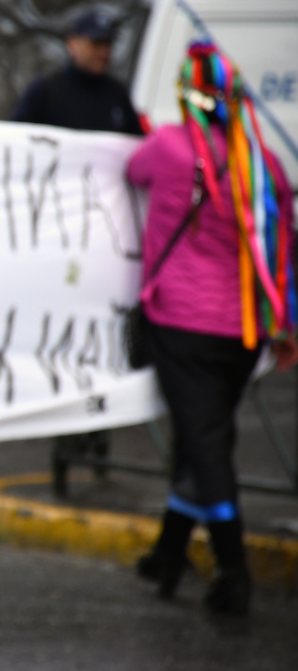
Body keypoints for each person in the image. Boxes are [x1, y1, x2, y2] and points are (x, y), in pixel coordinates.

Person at [128, 40, 298, 616]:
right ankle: (168, 555)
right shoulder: (265, 163)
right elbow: (284, 247)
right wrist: (286, 323)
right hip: (244, 330)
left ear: (188, 96)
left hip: (182, 323)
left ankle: (233, 572)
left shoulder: (171, 148)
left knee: (205, 444)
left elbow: (132, 168)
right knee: (203, 435)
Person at [10, 7, 145, 135]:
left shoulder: (118, 95)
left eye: (108, 44)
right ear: (72, 44)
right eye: (96, 44)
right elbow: (14, 136)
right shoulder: (46, 91)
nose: (104, 53)